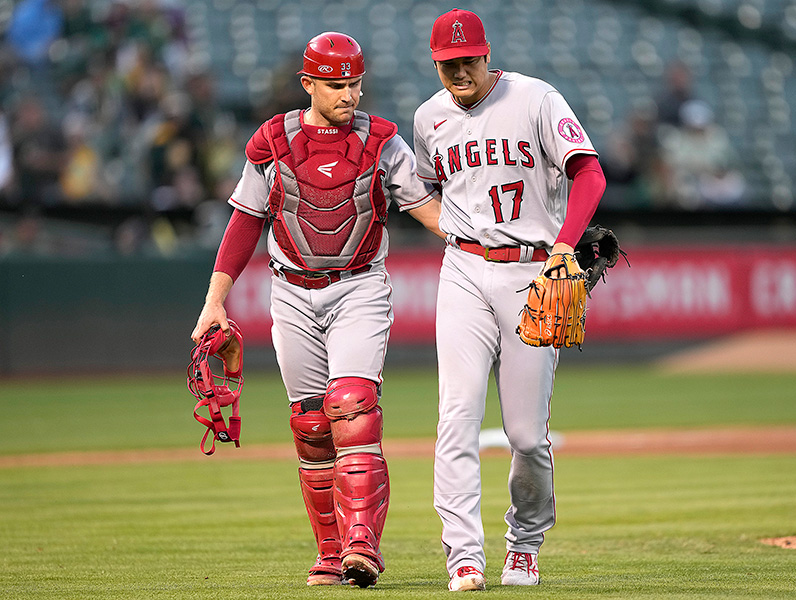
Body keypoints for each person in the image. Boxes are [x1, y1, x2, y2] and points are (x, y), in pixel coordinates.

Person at [190, 31, 443, 588]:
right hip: (291, 291)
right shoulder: (273, 141)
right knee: (311, 424)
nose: (348, 95)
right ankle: (331, 553)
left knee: (352, 405)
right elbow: (245, 221)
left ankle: (362, 544)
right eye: (335, 85)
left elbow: (431, 214)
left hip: (358, 285)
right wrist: (215, 301)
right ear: (308, 84)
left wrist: (502, 242)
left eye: (354, 83)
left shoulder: (383, 143)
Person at [413, 9, 606, 591]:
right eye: (449, 64)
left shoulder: (537, 99)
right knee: (457, 416)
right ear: (436, 64)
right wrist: (448, 230)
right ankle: (463, 555)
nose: (460, 71)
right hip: (465, 271)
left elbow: (590, 175)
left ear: (486, 53)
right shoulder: (429, 118)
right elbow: (424, 190)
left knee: (525, 435)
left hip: (532, 271)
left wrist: (565, 247)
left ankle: (524, 543)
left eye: (469, 59)